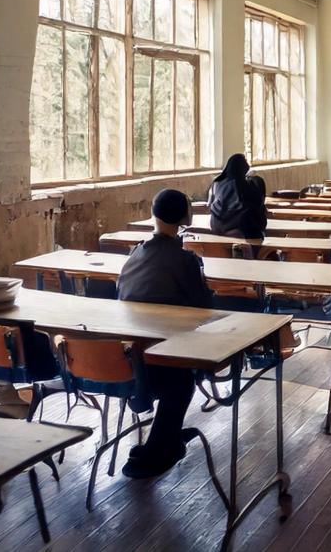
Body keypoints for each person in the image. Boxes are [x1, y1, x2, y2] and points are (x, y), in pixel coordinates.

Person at [116, 188, 214, 479]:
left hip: (124, 359)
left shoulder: (135, 253)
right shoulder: (184, 260)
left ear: (154, 213)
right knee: (182, 382)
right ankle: (159, 450)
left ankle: (163, 444)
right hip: (159, 354)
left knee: (176, 378)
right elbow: (202, 309)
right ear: (185, 217)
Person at [207, 153, 268, 240]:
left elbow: (210, 204)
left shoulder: (216, 183)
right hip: (239, 230)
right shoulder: (244, 185)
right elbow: (258, 205)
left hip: (217, 226)